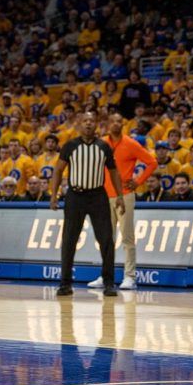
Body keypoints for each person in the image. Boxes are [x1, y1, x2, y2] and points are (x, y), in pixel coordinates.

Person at [49, 112, 126, 296]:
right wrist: (54, 194)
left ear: (97, 125)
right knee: (69, 240)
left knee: (106, 239)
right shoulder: (70, 146)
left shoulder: (104, 146)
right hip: (75, 196)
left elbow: (114, 172)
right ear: (79, 124)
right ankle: (65, 283)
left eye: (92, 121)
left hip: (98, 196)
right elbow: (58, 170)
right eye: (85, 121)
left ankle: (109, 283)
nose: (89, 124)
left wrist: (120, 195)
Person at [92, 112, 155, 291]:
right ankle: (106, 275)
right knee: (106, 238)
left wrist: (138, 181)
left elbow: (152, 162)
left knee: (127, 237)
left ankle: (130, 276)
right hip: (104, 195)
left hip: (125, 194)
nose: (116, 124)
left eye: (119, 121)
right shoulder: (101, 143)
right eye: (112, 121)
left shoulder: (130, 143)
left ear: (123, 124)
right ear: (107, 123)